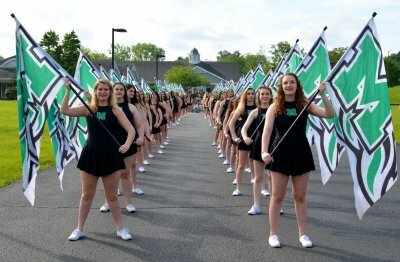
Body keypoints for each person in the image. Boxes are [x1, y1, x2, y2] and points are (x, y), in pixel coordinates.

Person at [261, 73, 334, 248]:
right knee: (277, 196)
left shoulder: (305, 104)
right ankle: (273, 234)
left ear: (297, 85)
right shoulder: (274, 107)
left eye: (292, 82)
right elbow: (267, 130)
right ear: (281, 86)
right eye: (285, 83)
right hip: (280, 153)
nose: (288, 85)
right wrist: (264, 151)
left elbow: (329, 114)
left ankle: (303, 235)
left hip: (301, 152)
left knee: (299, 196)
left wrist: (322, 94)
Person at [61, 78, 135, 241]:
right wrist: (67, 90)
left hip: (111, 155)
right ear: (95, 92)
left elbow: (131, 130)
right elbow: (64, 110)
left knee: (112, 196)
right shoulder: (89, 108)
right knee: (87, 195)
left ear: (110, 92)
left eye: (106, 90)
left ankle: (121, 229)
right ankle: (79, 229)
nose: (102, 92)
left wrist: (127, 144)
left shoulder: (115, 110)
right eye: (99, 89)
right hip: (91, 155)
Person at [99, 83, 144, 213]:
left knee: (125, 174)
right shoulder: (105, 107)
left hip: (128, 144)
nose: (118, 91)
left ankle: (128, 203)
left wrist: (140, 137)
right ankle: (108, 202)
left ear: (124, 92)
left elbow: (140, 125)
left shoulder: (131, 107)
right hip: (109, 145)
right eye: (116, 89)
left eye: (120, 89)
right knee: (109, 175)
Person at [241, 86, 273, 215]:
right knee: (258, 177)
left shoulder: (277, 110)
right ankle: (256, 205)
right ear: (258, 97)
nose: (264, 96)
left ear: (271, 96)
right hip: (258, 145)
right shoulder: (255, 112)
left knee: (272, 177)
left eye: (267, 94)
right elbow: (244, 128)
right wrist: (245, 137)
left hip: (274, 145)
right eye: (262, 94)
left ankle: (275, 205)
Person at [229, 87, 257, 196]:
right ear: (245, 95)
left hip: (256, 138)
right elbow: (231, 124)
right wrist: (234, 137)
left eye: (252, 93)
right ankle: (238, 188)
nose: (251, 95)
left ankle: (259, 185)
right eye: (248, 93)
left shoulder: (258, 108)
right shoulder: (241, 108)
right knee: (241, 164)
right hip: (243, 137)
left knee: (255, 163)